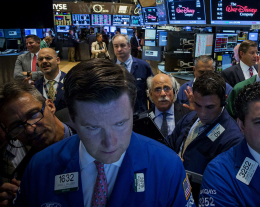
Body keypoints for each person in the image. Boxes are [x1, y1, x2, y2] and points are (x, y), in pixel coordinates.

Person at [13, 59, 195, 206]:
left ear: (132, 112)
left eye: (120, 123)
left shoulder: (168, 168)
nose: (110, 142)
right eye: (92, 127)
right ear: (72, 120)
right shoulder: (40, 167)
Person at [0, 81, 73, 205]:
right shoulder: (23, 176)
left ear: (50, 106)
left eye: (33, 114)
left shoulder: (91, 136)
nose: (30, 129)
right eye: (16, 126)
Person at [166, 72, 243, 175]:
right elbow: (168, 145)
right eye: (198, 105)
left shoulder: (233, 138)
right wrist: (171, 157)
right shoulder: (189, 117)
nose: (202, 113)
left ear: (224, 99)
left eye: (209, 107)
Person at [113, 34, 153, 114]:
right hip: (116, 115)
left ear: (129, 46)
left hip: (139, 114)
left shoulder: (143, 66)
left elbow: (153, 92)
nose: (119, 49)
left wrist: (152, 113)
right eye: (116, 46)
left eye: (122, 45)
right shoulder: (108, 68)